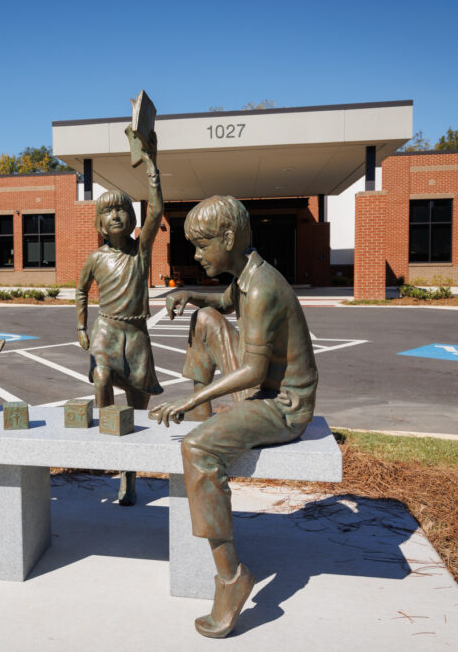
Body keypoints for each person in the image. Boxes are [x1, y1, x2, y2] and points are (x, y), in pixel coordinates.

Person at [149, 195, 318, 638]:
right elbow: (222, 305)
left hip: (283, 404)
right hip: (259, 386)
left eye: (203, 246)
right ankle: (205, 414)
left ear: (228, 238)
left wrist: (189, 399)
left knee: (197, 447)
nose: (197, 255)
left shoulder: (264, 287)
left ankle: (231, 577)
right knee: (204, 317)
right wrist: (189, 294)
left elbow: (255, 372)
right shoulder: (246, 277)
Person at [75, 131, 164, 507]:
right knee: (101, 375)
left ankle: (129, 476)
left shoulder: (140, 252)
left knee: (138, 409)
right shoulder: (95, 258)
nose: (116, 215)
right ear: (98, 222)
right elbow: (80, 291)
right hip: (106, 329)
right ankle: (105, 441)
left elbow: (157, 211)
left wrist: (150, 167)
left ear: (131, 218)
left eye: (122, 209)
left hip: (137, 333)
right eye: (108, 211)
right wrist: (81, 327)